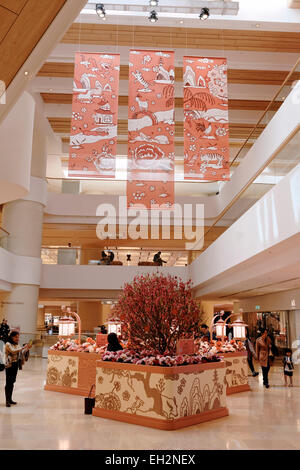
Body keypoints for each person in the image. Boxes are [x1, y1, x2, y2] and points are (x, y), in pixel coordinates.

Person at [4, 331, 32, 407]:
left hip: (15, 365)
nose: (17, 338)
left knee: (12, 381)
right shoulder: (8, 344)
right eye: (16, 337)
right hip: (9, 365)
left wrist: (27, 349)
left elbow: (21, 353)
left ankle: (10, 399)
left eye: (18, 337)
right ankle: (7, 400)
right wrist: (22, 347)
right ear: (11, 337)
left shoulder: (17, 345)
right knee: (8, 382)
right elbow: (13, 351)